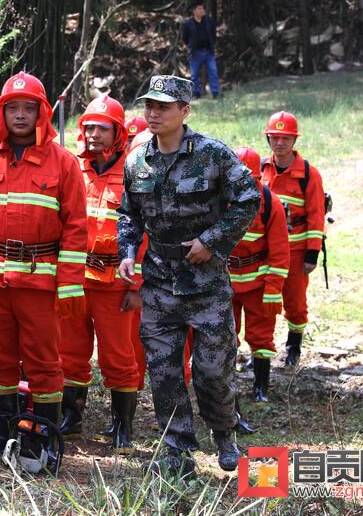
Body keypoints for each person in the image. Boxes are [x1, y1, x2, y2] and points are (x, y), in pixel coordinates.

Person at [118, 75, 259, 476]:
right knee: (164, 372)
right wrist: (127, 252)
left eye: (163, 106)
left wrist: (212, 241)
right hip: (159, 282)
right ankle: (177, 449)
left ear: (185, 111)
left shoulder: (212, 154)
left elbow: (249, 198)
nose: (153, 113)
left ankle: (224, 432)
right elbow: (128, 213)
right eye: (149, 105)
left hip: (206, 283)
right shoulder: (136, 160)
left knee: (213, 370)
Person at [0, 72, 87, 464]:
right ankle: (2, 429)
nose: (20, 116)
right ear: (1, 113)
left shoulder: (64, 163)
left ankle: (43, 434)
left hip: (39, 278)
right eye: (12, 108)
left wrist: (70, 284)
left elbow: (75, 229)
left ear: (42, 113)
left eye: (28, 108)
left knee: (43, 361)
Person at [61, 96, 141, 454]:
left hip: (115, 285)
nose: (92, 134)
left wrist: (137, 285)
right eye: (88, 127)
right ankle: (71, 419)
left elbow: (147, 234)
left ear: (118, 132)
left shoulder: (136, 171)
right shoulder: (71, 168)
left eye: (101, 128)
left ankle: (122, 426)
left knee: (118, 355)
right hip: (76, 279)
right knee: (71, 352)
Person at [260, 111, 325, 368]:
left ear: (294, 140)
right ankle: (261, 349)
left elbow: (316, 216)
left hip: (296, 250)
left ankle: (293, 349)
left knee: (296, 304)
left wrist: (312, 254)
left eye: (285, 138)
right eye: (275, 137)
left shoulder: (309, 175)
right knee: (263, 301)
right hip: (265, 251)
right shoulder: (260, 170)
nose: (280, 143)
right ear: (268, 138)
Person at [230, 147, 288, 403]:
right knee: (223, 335)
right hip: (226, 280)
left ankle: (260, 388)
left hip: (259, 280)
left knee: (261, 336)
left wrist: (273, 289)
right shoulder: (217, 200)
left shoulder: (270, 202)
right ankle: (225, 388)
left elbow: (279, 251)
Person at [180, 0, 219, 99]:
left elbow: (213, 34)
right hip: (195, 53)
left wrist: (211, 44)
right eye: (199, 9)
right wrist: (190, 46)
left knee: (213, 71)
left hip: (208, 51)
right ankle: (196, 93)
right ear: (194, 11)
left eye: (202, 8)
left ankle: (215, 93)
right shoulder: (188, 24)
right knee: (194, 75)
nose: (202, 10)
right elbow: (185, 38)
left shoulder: (209, 21)